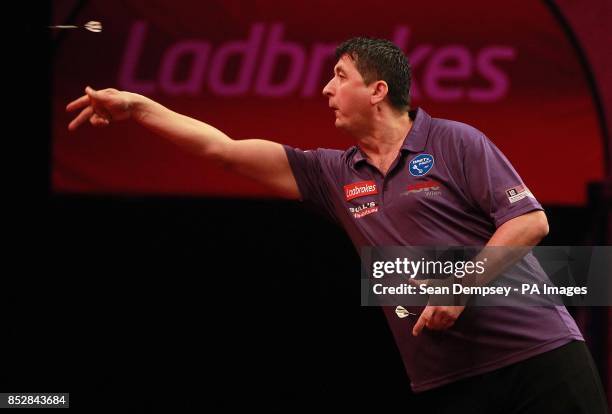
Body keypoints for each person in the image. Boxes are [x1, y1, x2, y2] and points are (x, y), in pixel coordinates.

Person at [67, 37, 608, 413]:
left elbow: (529, 220)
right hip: (449, 381)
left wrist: (460, 289)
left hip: (539, 356)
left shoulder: (454, 141)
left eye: (339, 76)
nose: (326, 89)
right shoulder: (332, 173)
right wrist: (140, 108)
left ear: (377, 90)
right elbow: (224, 151)